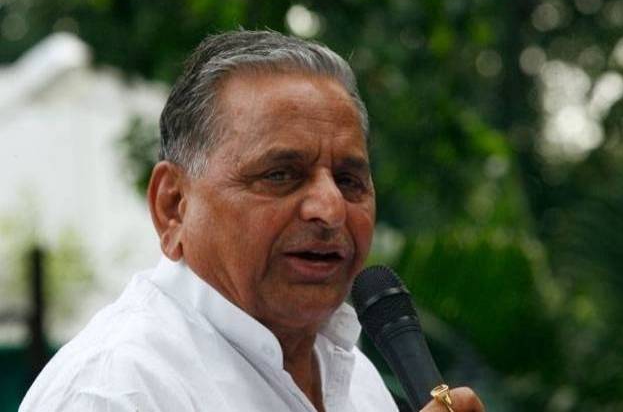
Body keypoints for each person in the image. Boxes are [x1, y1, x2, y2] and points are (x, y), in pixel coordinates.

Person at [20, 30, 484, 412]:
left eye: (349, 180)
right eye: (281, 175)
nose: (330, 209)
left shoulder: (353, 378)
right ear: (173, 206)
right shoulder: (114, 392)